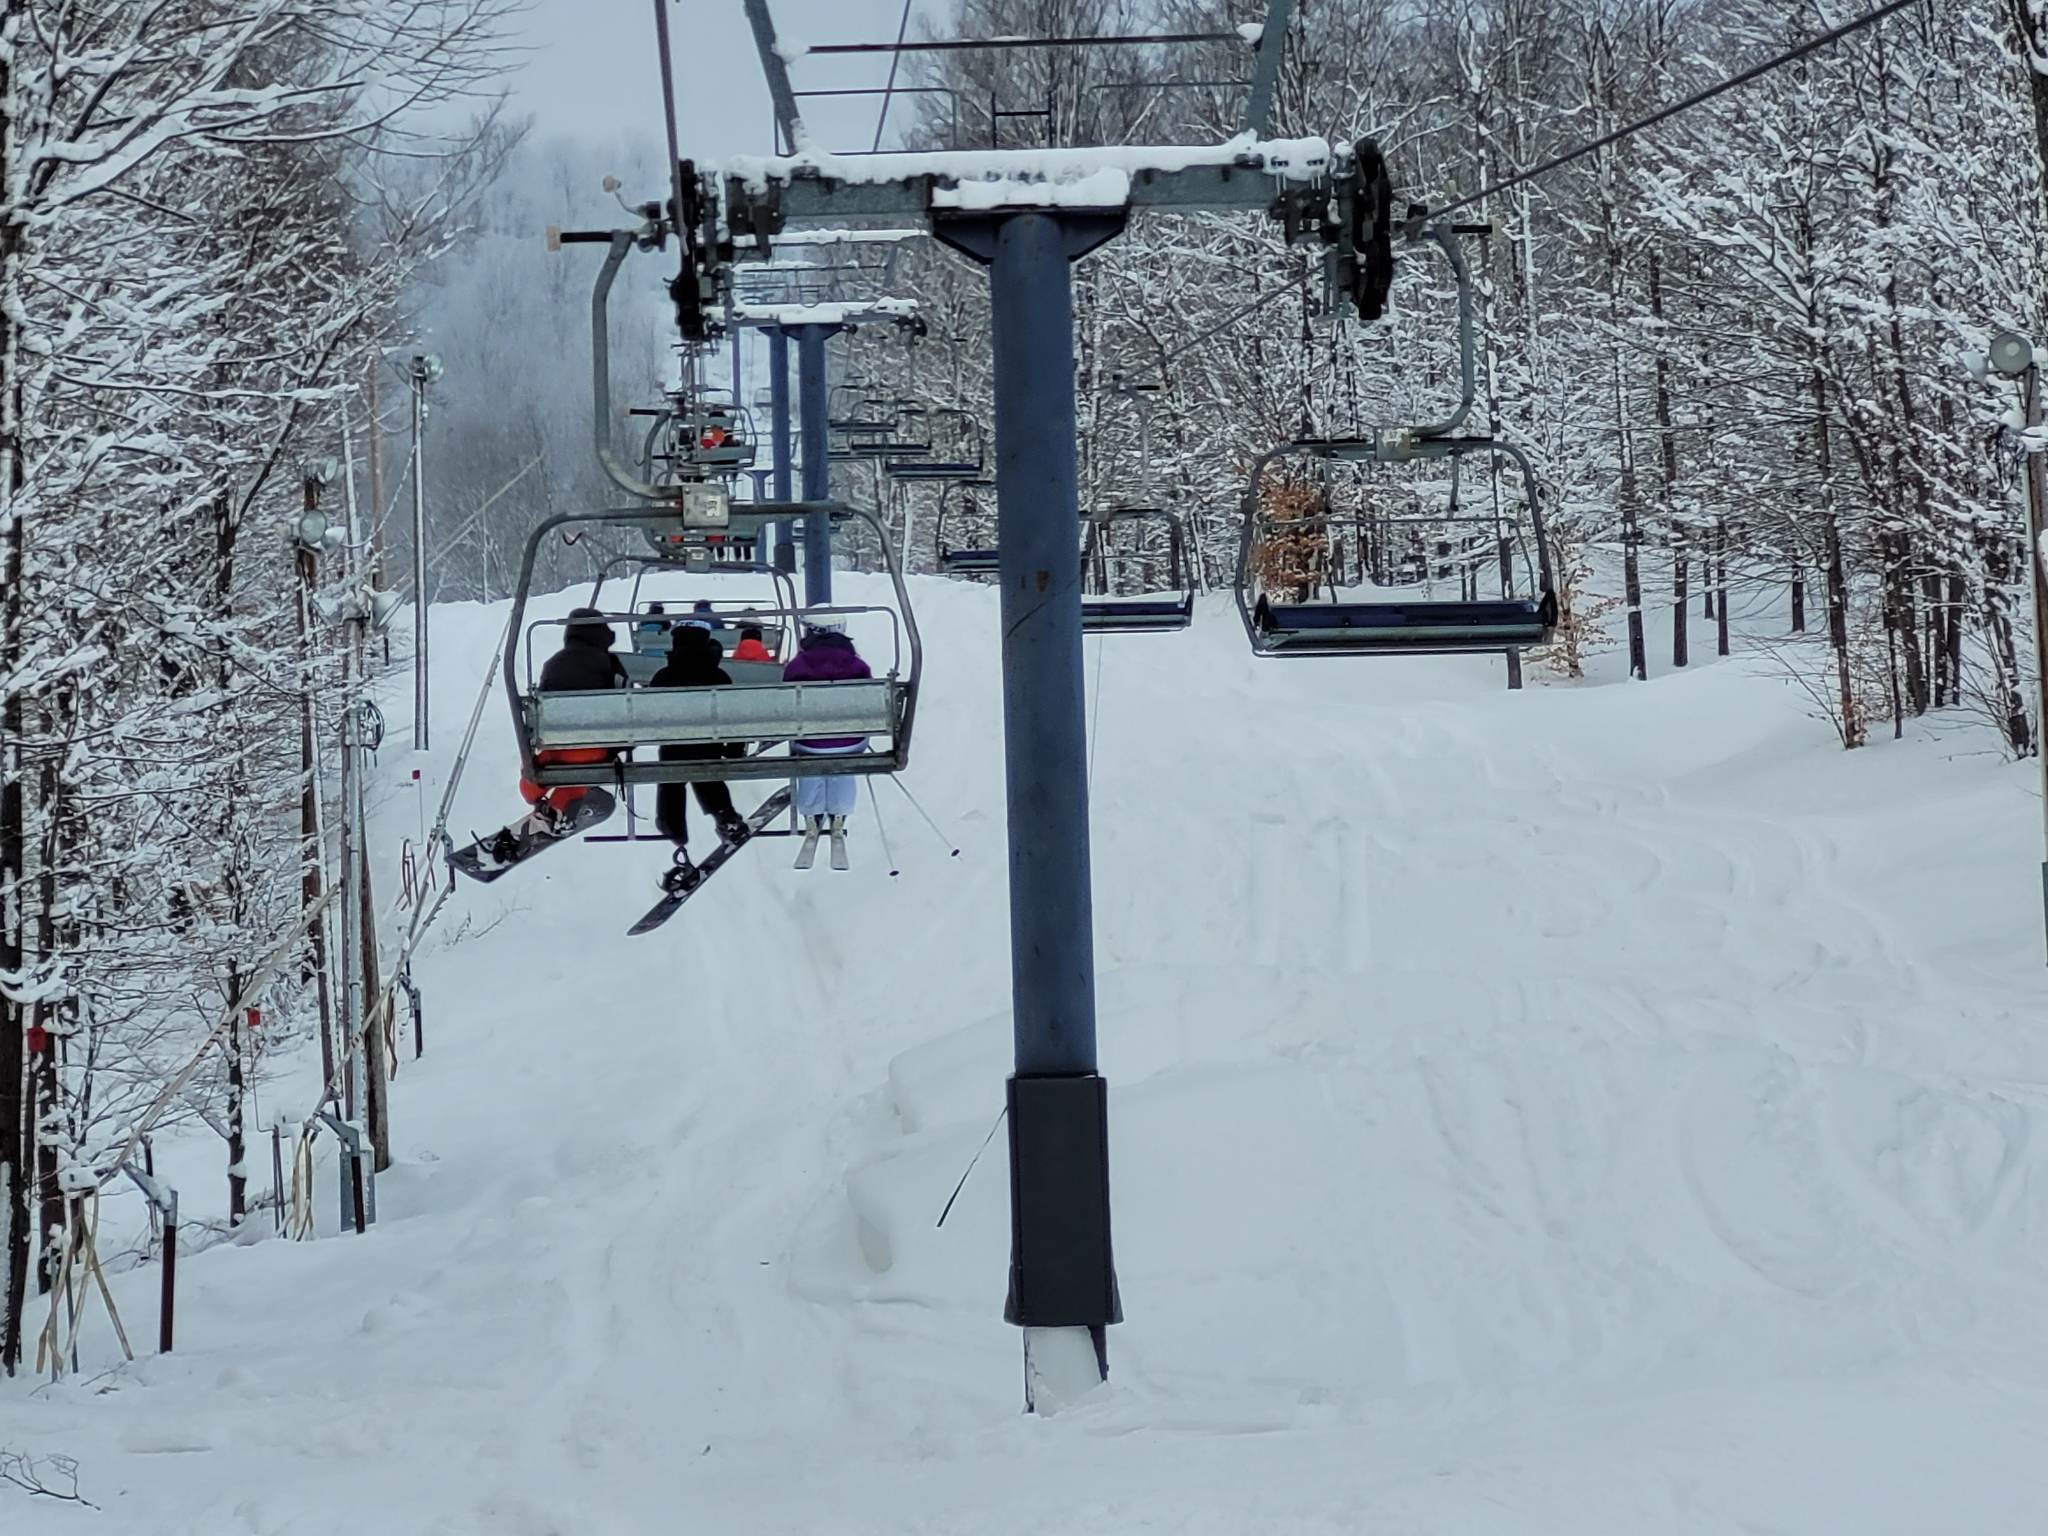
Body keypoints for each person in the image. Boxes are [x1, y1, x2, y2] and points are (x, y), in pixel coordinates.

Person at [498, 608, 626, 858]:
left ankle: (537, 799)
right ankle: (557, 809)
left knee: (538, 771)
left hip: (559, 749)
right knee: (580, 775)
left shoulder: (554, 664)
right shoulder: (610, 663)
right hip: (598, 750)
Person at [648, 623, 750, 891]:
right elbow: (735, 719)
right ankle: (725, 816)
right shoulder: (718, 676)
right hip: (708, 749)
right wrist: (734, 750)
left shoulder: (663, 677)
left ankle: (673, 828)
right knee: (706, 770)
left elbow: (647, 718)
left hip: (673, 751)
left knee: (673, 776)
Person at [780, 615, 872, 844]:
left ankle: (812, 812)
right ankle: (839, 811)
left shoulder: (797, 666)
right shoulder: (858, 665)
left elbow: (785, 704)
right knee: (844, 759)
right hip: (850, 740)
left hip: (808, 741)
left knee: (810, 756)